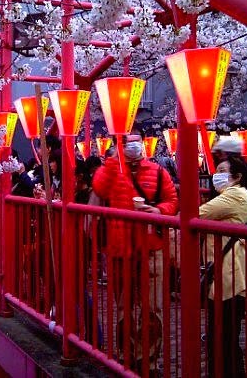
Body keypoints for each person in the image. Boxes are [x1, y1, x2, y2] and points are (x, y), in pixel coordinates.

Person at [92, 134, 178, 375]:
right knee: (123, 307)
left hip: (151, 247)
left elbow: (172, 200)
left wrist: (159, 210)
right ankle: (126, 354)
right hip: (120, 248)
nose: (133, 145)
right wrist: (113, 159)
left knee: (154, 308)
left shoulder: (159, 172)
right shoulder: (111, 169)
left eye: (136, 141)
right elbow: (99, 187)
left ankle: (149, 359)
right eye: (127, 142)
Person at [199, 155, 247, 377]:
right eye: (217, 171)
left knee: (224, 337)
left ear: (237, 177)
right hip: (229, 275)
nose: (217, 175)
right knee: (223, 336)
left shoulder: (235, 196)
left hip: (232, 276)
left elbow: (197, 213)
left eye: (223, 171)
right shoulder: (236, 195)